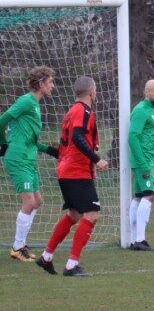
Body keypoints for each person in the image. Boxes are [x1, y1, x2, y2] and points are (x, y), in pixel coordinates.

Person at [36, 76, 110, 277]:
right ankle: (71, 265)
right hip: (76, 171)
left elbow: (67, 143)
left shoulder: (70, 112)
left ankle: (46, 256)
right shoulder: (83, 111)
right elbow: (77, 137)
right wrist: (97, 160)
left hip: (66, 170)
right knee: (92, 214)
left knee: (75, 215)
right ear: (91, 92)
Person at [0, 66, 59, 261]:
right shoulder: (26, 101)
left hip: (28, 157)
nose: (53, 86)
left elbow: (31, 140)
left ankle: (21, 245)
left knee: (37, 201)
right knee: (30, 202)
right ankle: (17, 248)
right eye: (50, 82)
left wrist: (52, 151)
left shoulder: (35, 104)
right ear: (41, 84)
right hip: (18, 158)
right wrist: (3, 144)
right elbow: (2, 120)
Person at [128, 80, 154, 251]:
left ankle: (134, 239)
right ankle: (140, 240)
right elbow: (133, 137)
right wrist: (143, 164)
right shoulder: (141, 110)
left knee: (139, 197)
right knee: (149, 196)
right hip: (143, 162)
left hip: (146, 161)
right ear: (146, 92)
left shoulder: (151, 110)